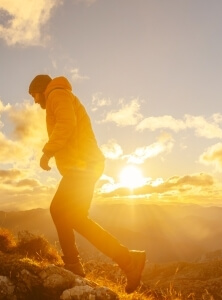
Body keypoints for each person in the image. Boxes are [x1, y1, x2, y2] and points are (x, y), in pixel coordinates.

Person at [28, 74, 146, 293]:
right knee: (74, 217)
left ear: (41, 89)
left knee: (59, 210)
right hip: (84, 165)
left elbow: (66, 123)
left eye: (33, 95)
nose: (35, 101)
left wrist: (47, 152)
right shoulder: (60, 94)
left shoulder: (55, 94)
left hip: (83, 166)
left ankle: (77, 263)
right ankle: (127, 260)